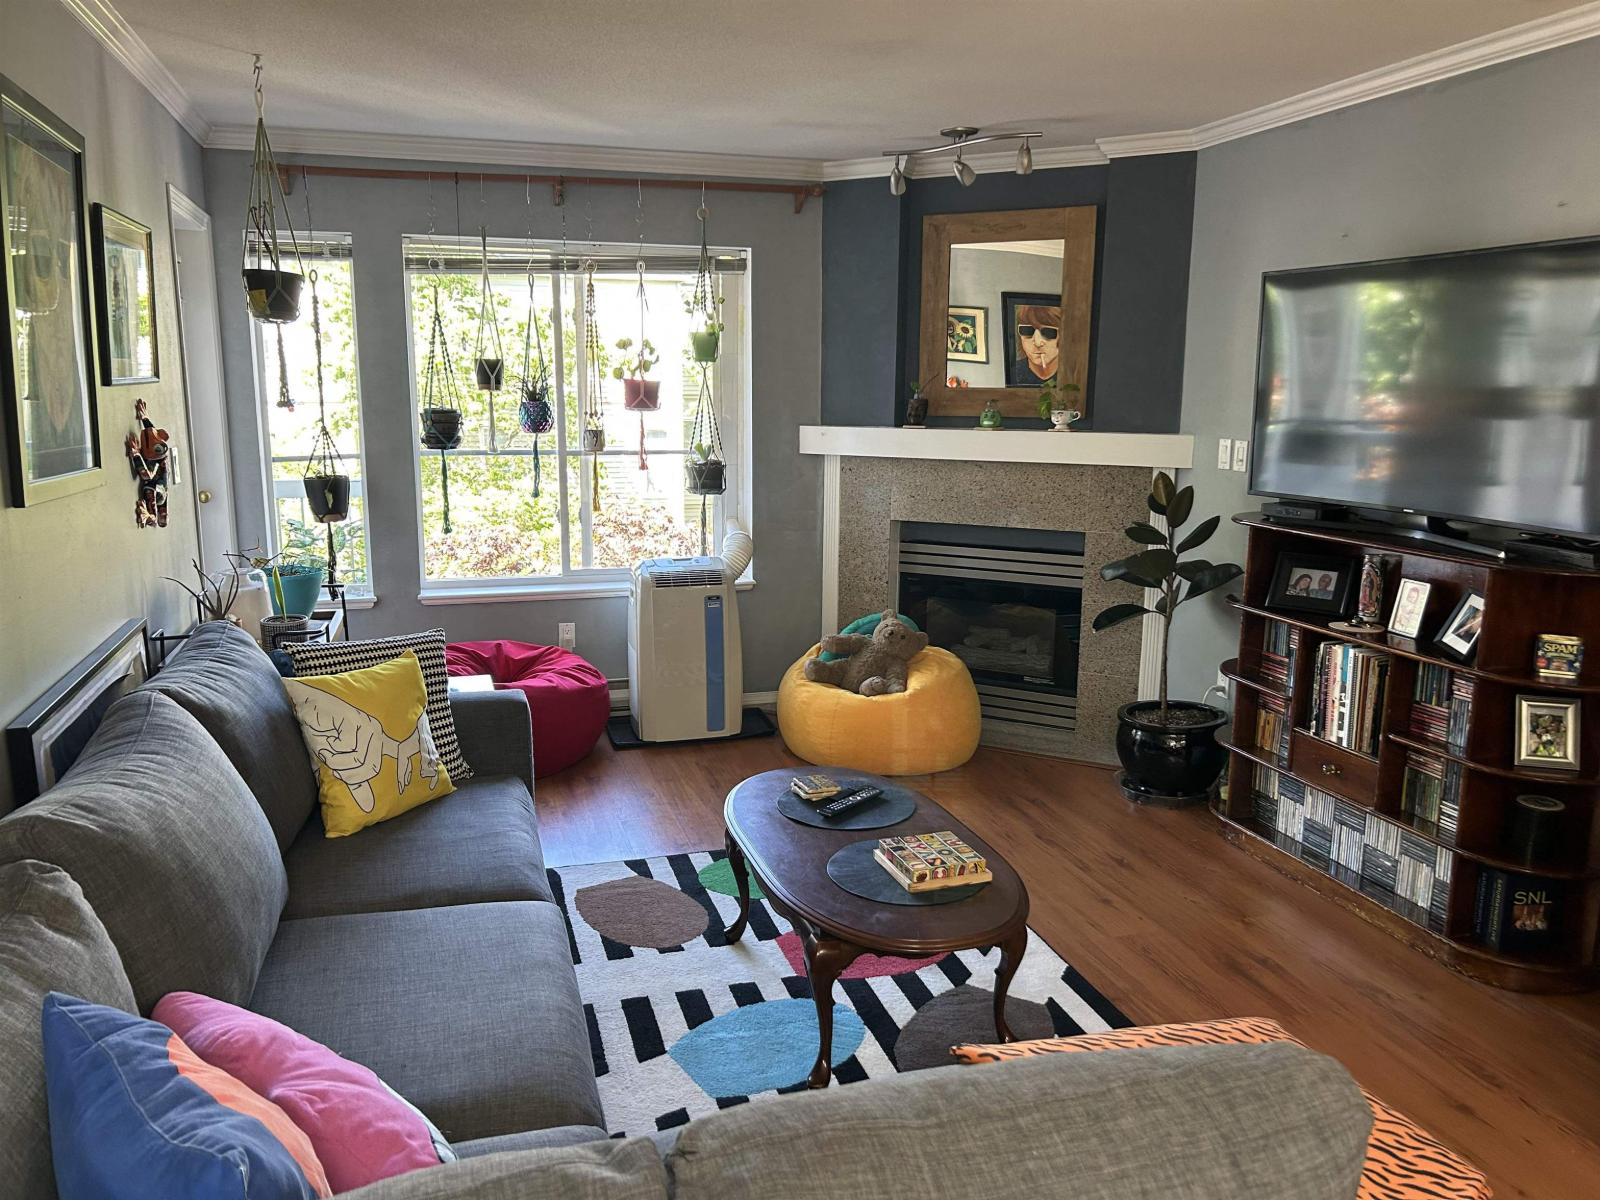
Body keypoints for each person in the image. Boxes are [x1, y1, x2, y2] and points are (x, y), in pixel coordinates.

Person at [1012, 304, 1061, 383]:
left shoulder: (1074, 374)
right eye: (1027, 330)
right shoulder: (1014, 372)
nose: (1038, 343)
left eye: (1048, 332)